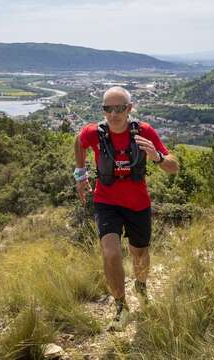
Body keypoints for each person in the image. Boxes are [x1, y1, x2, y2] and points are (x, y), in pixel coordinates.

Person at [73, 86, 179, 331]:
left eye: (119, 108)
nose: (113, 114)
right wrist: (81, 174)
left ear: (129, 109)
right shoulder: (95, 133)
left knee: (139, 254)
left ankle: (140, 284)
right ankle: (121, 306)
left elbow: (174, 166)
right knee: (110, 253)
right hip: (106, 201)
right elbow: (79, 141)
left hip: (137, 204)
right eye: (107, 109)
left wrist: (158, 158)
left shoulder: (144, 132)